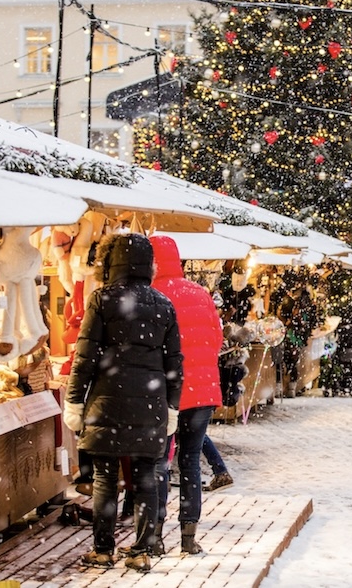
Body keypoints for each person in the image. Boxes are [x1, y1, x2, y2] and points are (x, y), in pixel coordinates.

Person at [63, 233, 183, 572]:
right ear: (149, 265)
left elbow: (84, 357)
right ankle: (142, 550)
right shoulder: (163, 304)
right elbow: (175, 363)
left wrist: (74, 401)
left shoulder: (102, 299)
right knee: (146, 477)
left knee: (104, 477)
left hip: (106, 402)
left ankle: (103, 549)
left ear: (109, 262)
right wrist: (172, 406)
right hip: (151, 403)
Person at [150, 235, 224, 557]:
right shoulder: (201, 293)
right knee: (190, 460)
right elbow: (217, 340)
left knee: (160, 463)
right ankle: (188, 536)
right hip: (203, 389)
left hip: (167, 392)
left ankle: (154, 535)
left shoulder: (152, 296)